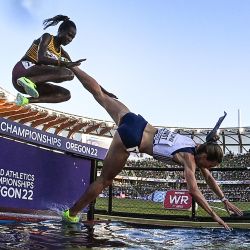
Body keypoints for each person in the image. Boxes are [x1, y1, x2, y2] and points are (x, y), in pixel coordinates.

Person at [62, 67, 243, 230]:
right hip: (132, 139)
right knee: (104, 181)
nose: (208, 169)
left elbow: (209, 177)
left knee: (101, 94)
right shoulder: (189, 160)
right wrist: (214, 215)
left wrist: (224, 200)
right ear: (204, 156)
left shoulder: (195, 144)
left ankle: (71, 65)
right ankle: (71, 215)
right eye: (209, 165)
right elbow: (193, 191)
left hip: (136, 121)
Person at [12, 15, 85, 106]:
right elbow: (41, 58)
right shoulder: (47, 37)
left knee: (66, 94)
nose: (70, 39)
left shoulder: (63, 53)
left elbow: (79, 73)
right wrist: (63, 63)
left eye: (72, 38)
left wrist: (103, 92)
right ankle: (29, 80)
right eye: (69, 35)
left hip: (30, 86)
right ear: (60, 31)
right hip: (22, 71)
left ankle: (25, 100)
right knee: (68, 73)